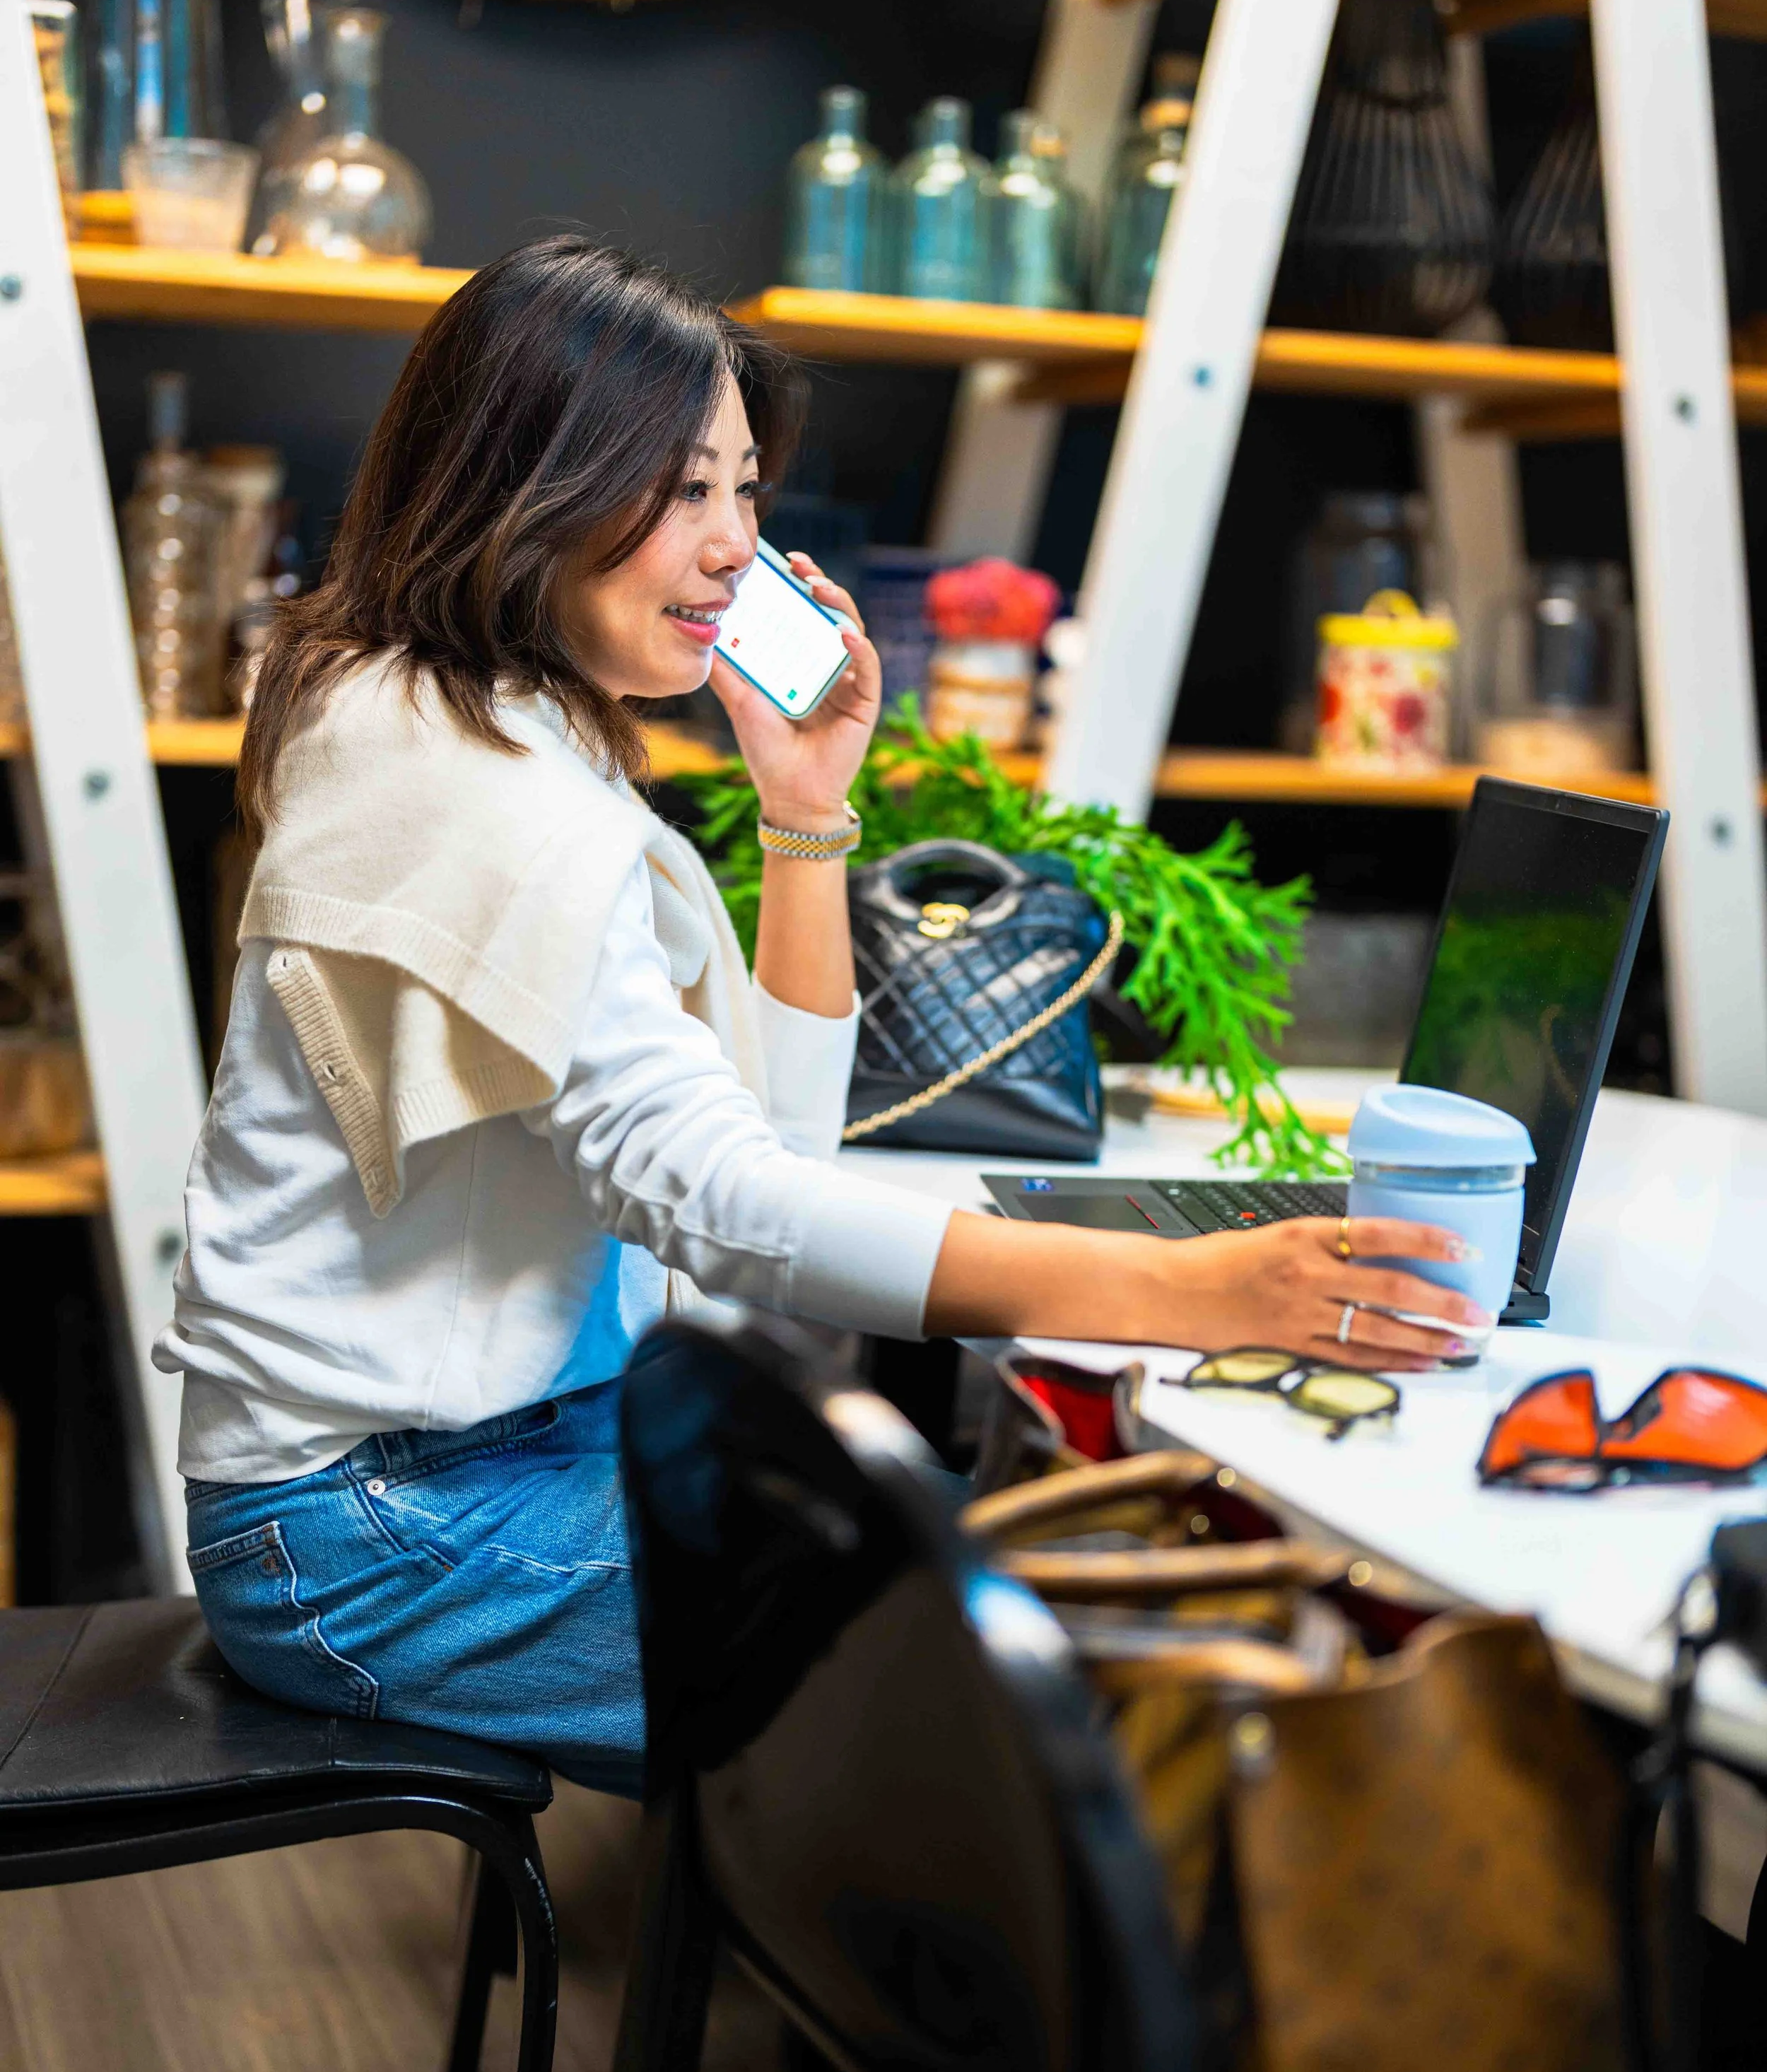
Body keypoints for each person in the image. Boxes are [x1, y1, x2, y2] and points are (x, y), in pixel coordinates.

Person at [155, 238, 1484, 1793]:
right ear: (523, 484)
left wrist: (804, 813)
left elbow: (768, 1135)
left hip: (489, 1460)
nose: (732, 547)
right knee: (1067, 1700)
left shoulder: (465, 717)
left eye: (744, 491)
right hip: (379, 1528)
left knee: (1030, 1602)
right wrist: (1182, 1288)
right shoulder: (462, 780)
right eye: (680, 489)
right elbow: (728, 1204)